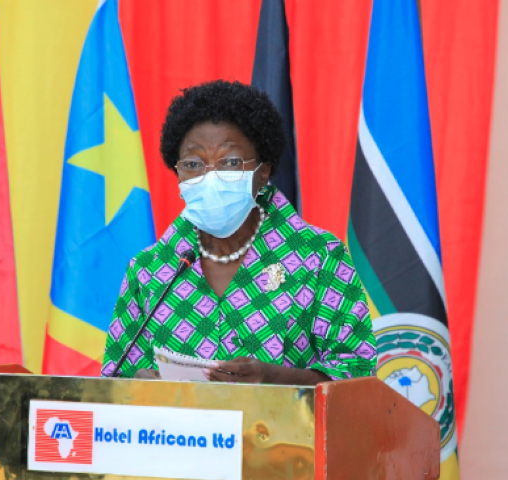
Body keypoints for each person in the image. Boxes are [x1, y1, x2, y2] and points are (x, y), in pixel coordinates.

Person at [102, 80, 376, 384]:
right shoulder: (150, 270)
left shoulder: (320, 259)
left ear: (264, 170)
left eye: (230, 162)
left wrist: (274, 378)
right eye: (193, 163)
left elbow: (358, 379)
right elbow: (112, 383)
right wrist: (137, 385)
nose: (210, 177)